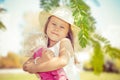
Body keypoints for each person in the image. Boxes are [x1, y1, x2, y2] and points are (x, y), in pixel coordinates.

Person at [23, 6, 80, 80]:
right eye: (53, 24)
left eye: (62, 27)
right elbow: (25, 66)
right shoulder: (42, 47)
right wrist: (41, 60)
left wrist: (36, 67)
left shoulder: (65, 42)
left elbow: (63, 61)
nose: (56, 29)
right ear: (47, 25)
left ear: (67, 33)